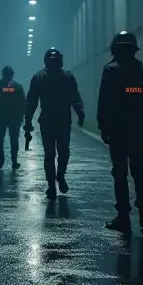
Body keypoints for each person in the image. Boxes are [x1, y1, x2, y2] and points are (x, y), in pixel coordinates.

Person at [98, 31, 143, 232]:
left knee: (120, 172)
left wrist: (104, 126)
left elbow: (105, 101)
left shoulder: (110, 71)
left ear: (115, 49)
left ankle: (123, 216)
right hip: (139, 129)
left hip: (118, 130)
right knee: (138, 170)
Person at [25, 48, 85, 198]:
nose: (55, 63)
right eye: (53, 61)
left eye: (56, 61)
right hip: (49, 120)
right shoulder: (40, 77)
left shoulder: (67, 77)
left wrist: (80, 112)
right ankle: (51, 185)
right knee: (50, 154)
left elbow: (75, 97)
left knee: (63, 153)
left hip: (62, 120)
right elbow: (31, 100)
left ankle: (61, 176)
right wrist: (27, 120)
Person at [0, 65, 26, 169]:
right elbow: (23, 103)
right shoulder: (17, 87)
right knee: (14, 139)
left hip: (1, 117)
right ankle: (14, 161)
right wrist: (22, 116)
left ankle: (1, 160)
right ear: (12, 75)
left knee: (0, 139)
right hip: (14, 118)